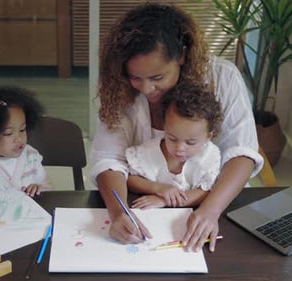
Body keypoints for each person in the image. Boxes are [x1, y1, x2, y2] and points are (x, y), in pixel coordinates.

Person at [89, 2, 263, 252]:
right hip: (142, 204)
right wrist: (118, 212)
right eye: (135, 77)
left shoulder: (223, 77)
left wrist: (210, 211)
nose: (147, 89)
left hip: (215, 201)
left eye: (157, 77)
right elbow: (108, 159)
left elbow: (242, 152)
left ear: (182, 55)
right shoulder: (118, 88)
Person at [127, 84, 223, 210]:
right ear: (164, 127)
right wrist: (159, 188)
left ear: (208, 137)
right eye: (172, 138)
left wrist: (165, 200)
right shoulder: (148, 152)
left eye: (190, 142)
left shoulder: (209, 156)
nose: (180, 148)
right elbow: (130, 179)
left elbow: (205, 192)